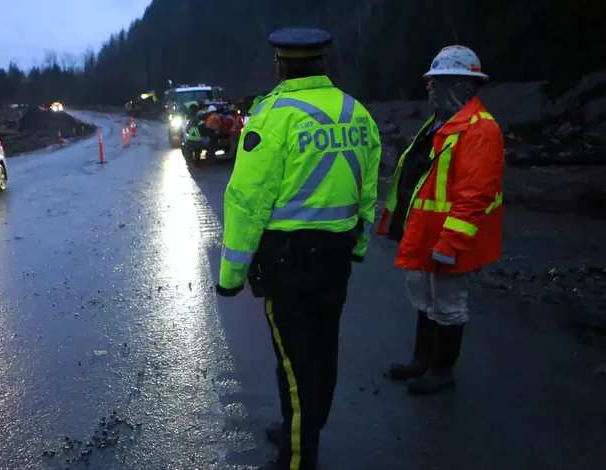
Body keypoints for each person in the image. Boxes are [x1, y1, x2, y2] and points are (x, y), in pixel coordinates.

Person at [215, 27, 381, 470]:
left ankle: (297, 457)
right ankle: (300, 429)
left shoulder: (272, 116)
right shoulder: (356, 112)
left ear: (281, 64)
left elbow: (247, 201)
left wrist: (231, 275)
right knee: (322, 351)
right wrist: (360, 244)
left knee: (294, 363)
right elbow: (368, 190)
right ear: (321, 63)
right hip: (337, 257)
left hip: (289, 262)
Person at [377, 45, 504, 395]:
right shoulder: (440, 125)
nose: (430, 88)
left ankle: (441, 371)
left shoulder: (479, 129)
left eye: (437, 82)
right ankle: (423, 362)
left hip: (449, 239)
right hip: (426, 233)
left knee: (448, 306)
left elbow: (475, 194)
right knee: (426, 300)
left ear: (461, 84)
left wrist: (451, 243)